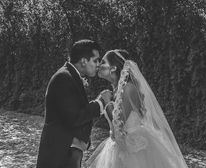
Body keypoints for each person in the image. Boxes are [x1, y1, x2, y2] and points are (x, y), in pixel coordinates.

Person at [86, 49, 189, 168]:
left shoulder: (129, 89)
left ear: (113, 68)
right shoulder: (115, 90)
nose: (99, 65)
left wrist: (107, 101)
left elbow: (119, 124)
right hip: (118, 144)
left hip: (134, 147)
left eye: (103, 62)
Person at [36, 39, 113, 168]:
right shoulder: (63, 78)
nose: (98, 64)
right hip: (58, 155)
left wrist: (84, 140)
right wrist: (100, 102)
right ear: (83, 61)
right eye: (95, 60)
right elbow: (73, 118)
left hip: (66, 152)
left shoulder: (70, 75)